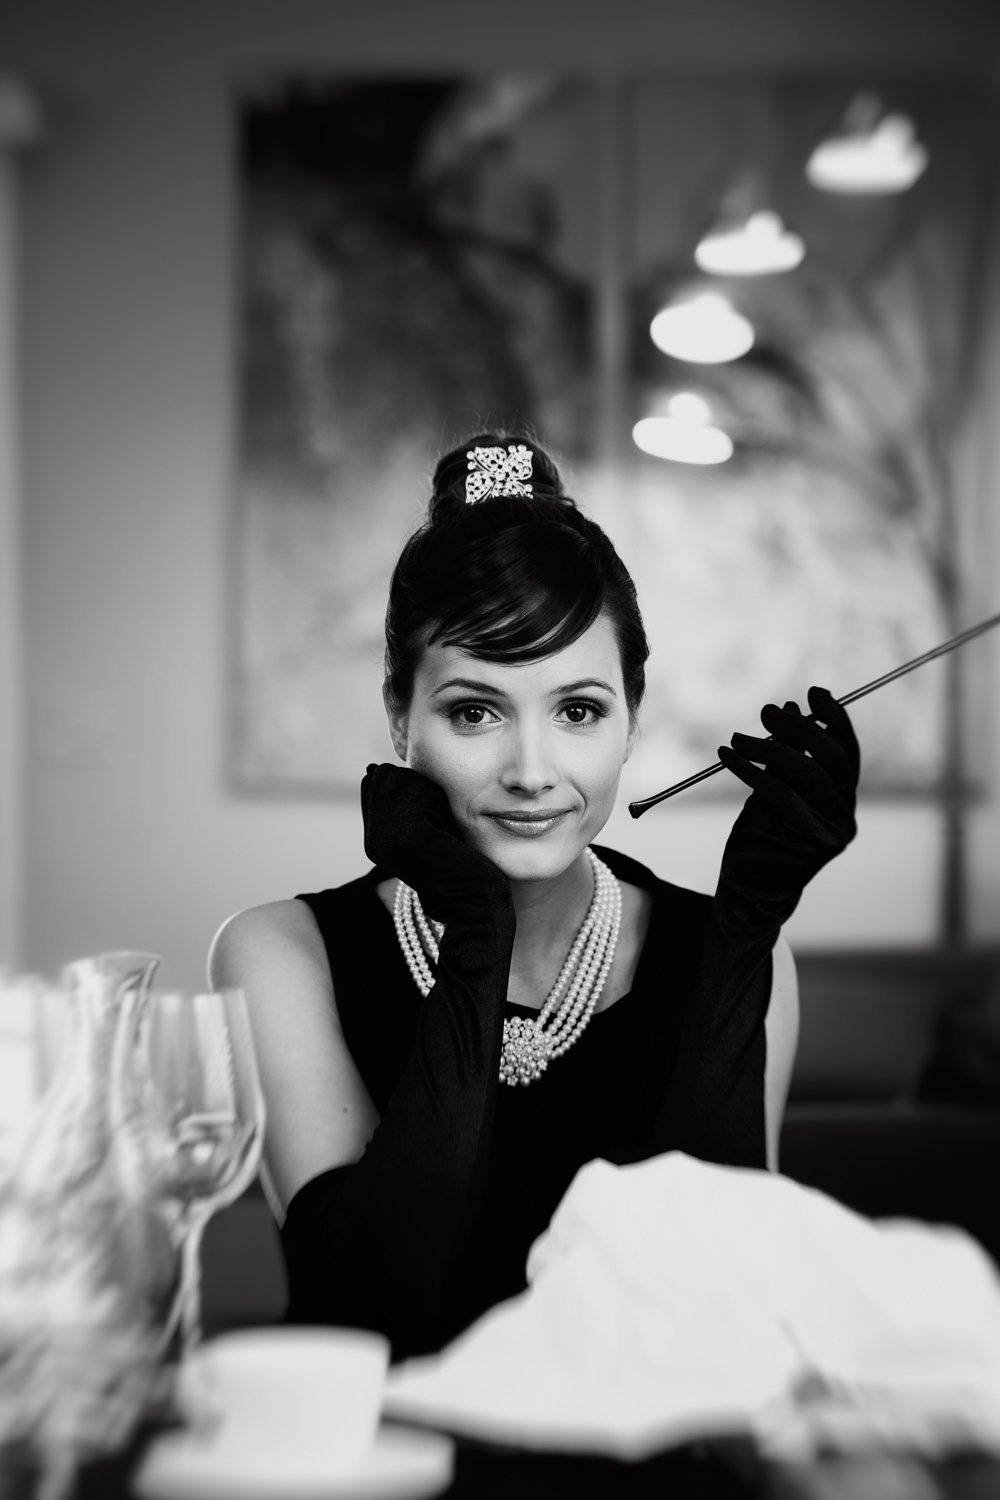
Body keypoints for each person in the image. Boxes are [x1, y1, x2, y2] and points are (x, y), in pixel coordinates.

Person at [209, 434, 860, 1361]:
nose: (530, 770)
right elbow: (361, 1308)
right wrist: (477, 932)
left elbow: (724, 1309)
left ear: (631, 718)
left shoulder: (732, 952)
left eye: (578, 710)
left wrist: (745, 930)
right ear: (399, 715)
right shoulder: (281, 953)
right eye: (475, 711)